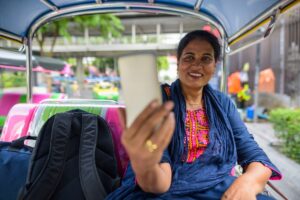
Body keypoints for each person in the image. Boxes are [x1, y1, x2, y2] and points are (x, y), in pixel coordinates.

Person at [107, 30, 281, 200]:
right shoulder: (159, 101)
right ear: (178, 64)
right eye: (189, 57)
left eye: (206, 58)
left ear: (214, 66)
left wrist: (247, 183)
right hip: (165, 191)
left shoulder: (223, 104)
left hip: (217, 187)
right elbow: (160, 184)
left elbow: (254, 155)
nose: (197, 65)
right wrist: (144, 163)